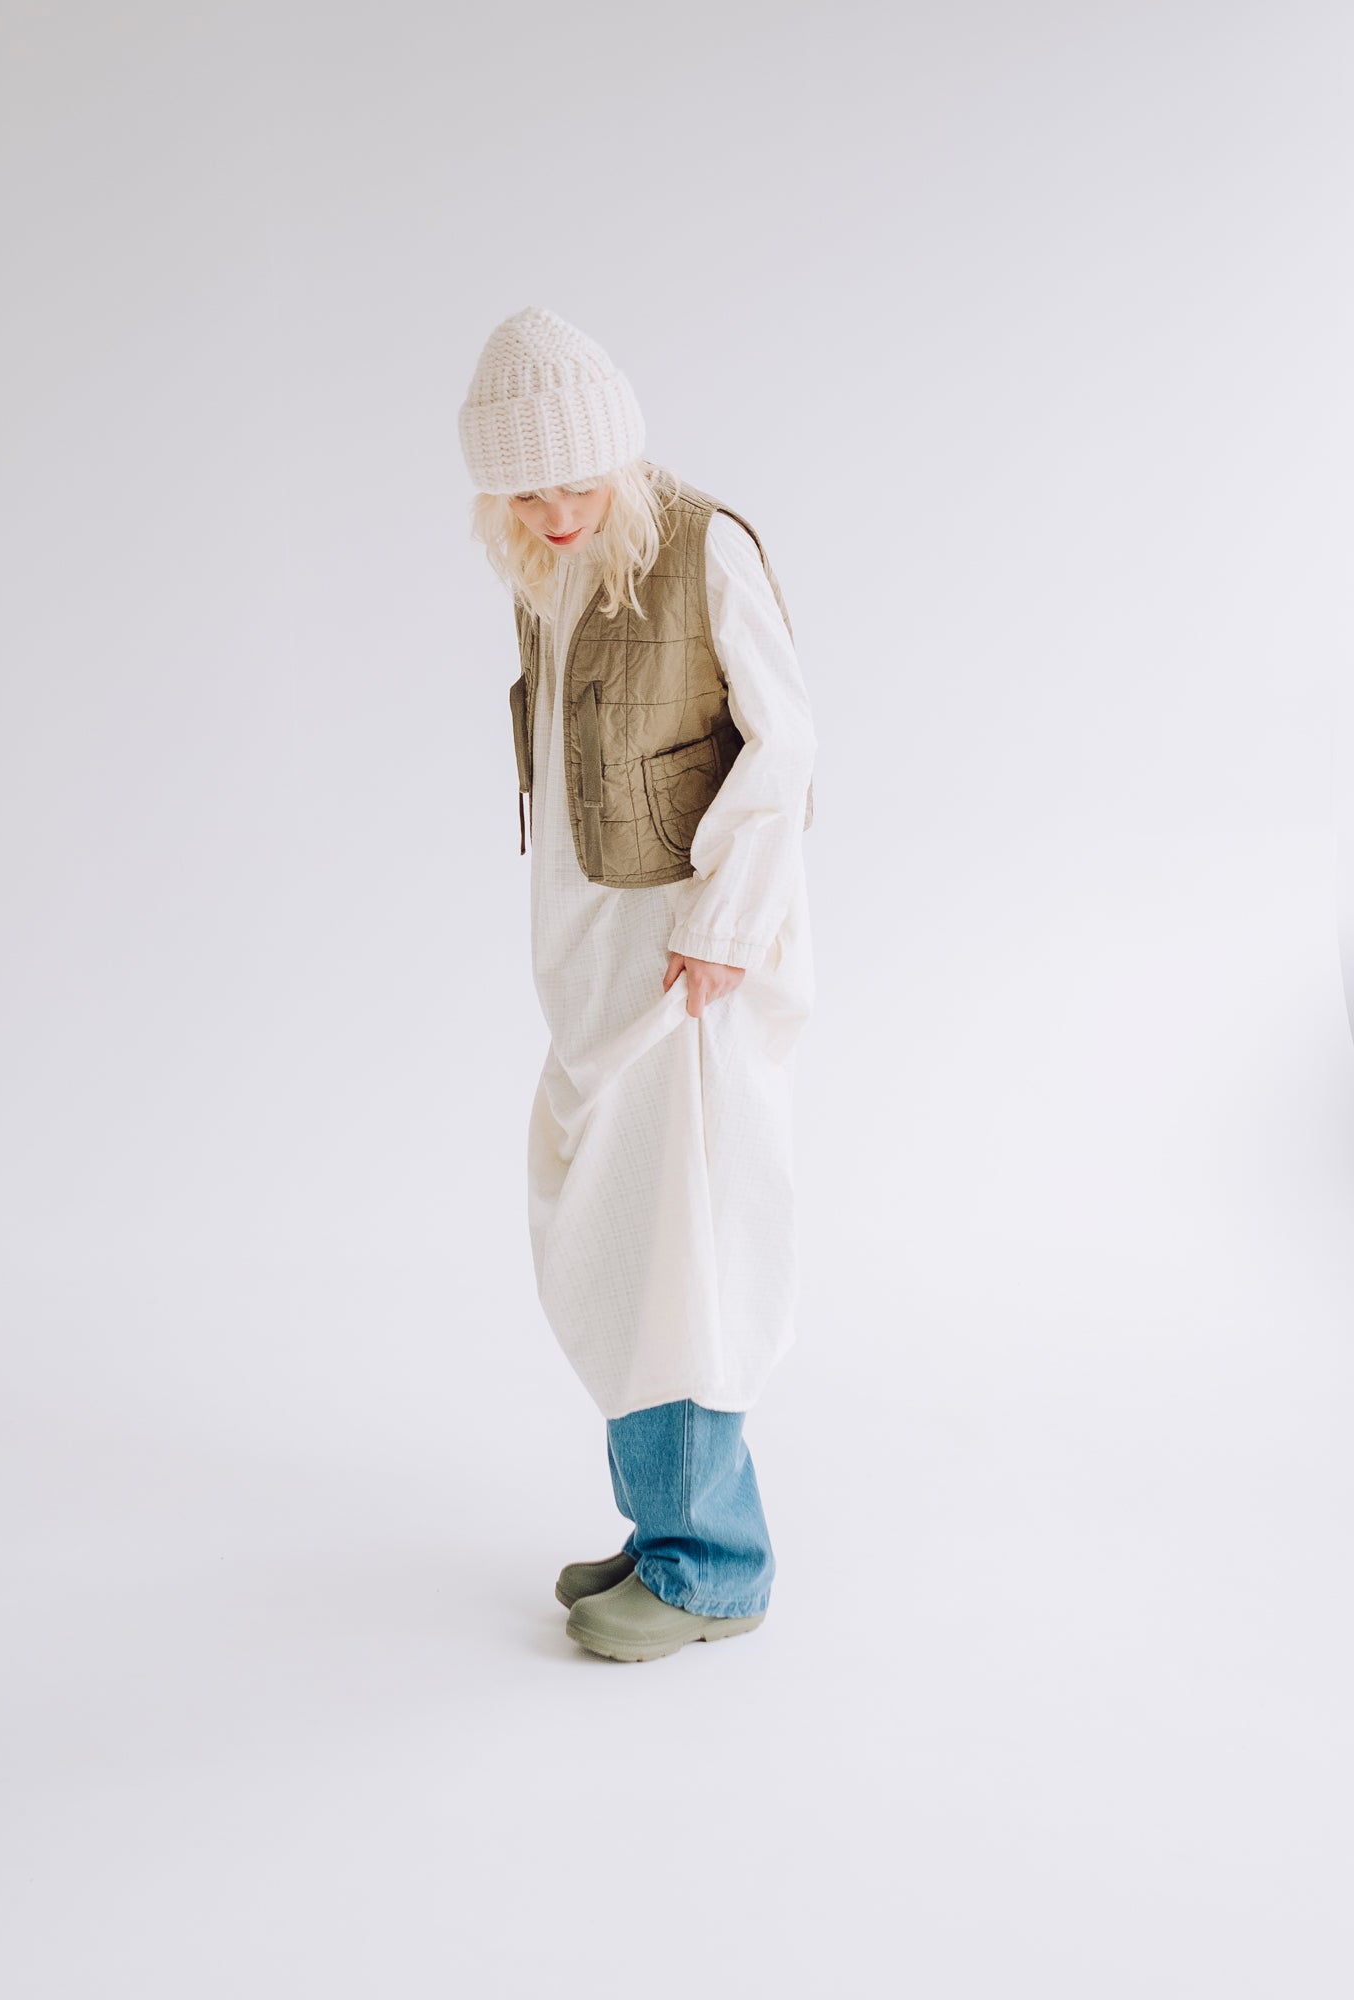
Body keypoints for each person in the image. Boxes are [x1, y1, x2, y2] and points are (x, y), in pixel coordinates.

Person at [458, 306, 818, 1664]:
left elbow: (786, 749)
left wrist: (726, 926)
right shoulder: (548, 567)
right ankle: (665, 1527)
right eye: (525, 492)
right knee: (617, 1246)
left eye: (575, 484)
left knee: (684, 1253)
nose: (555, 514)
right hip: (606, 965)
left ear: (618, 453)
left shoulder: (705, 545)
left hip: (691, 969)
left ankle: (712, 1567)